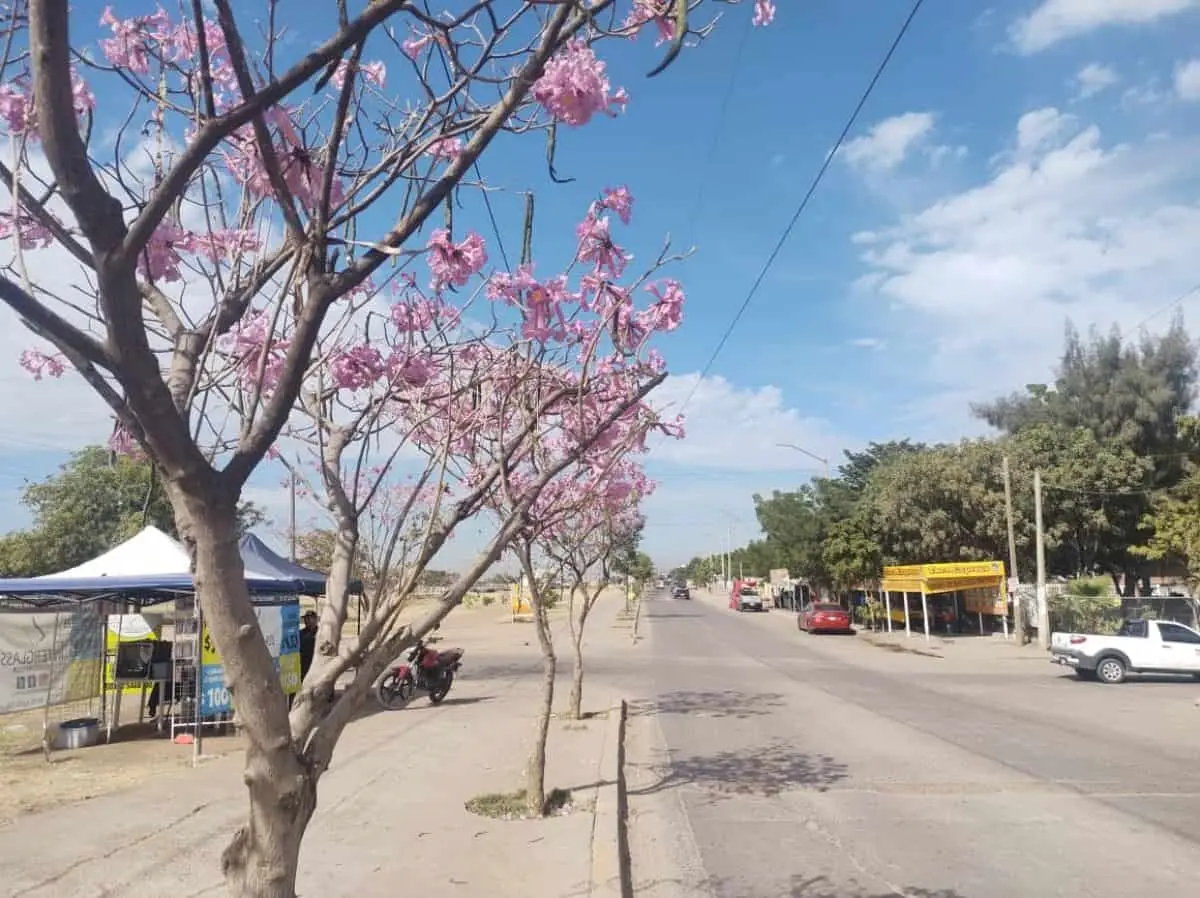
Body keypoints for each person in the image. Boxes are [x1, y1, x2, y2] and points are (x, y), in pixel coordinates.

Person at [299, 611, 318, 681]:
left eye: (310, 618)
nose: (307, 621)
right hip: (303, 666)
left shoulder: (321, 632)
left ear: (315, 619)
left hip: (316, 665)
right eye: (305, 618)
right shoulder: (300, 633)